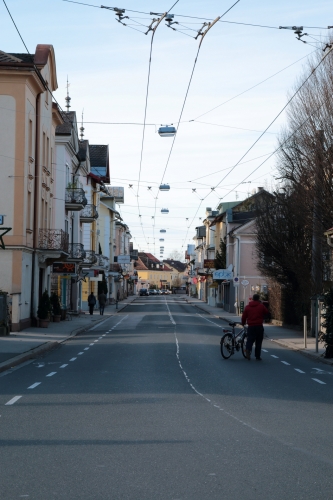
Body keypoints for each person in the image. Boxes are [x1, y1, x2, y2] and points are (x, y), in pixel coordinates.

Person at [241, 294, 269, 361]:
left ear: (253, 299)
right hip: (259, 326)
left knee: (250, 340)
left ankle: (248, 349)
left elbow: (244, 316)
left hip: (251, 326)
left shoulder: (247, 307)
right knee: (258, 341)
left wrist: (243, 323)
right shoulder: (261, 306)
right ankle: (257, 356)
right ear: (258, 299)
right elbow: (266, 312)